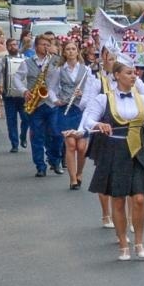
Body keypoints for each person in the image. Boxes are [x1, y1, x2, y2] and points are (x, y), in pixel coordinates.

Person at [79, 60, 144, 261]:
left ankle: (139, 242)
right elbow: (88, 121)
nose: (133, 76)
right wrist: (99, 125)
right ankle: (123, 244)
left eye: (134, 73)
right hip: (115, 150)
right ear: (117, 75)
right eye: (129, 73)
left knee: (139, 198)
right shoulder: (104, 99)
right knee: (118, 199)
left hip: (138, 150)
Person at [50, 39, 92, 188]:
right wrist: (56, 101)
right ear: (64, 52)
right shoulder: (59, 69)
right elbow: (51, 88)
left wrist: (83, 94)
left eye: (73, 49)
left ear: (78, 51)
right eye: (68, 49)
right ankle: (73, 179)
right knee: (71, 145)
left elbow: (91, 89)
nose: (71, 52)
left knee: (81, 147)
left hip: (81, 110)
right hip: (65, 110)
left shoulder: (86, 69)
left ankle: (80, 172)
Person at [21, 35, 62, 177]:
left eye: (48, 44)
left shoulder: (55, 61)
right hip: (36, 103)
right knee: (37, 136)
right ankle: (40, 166)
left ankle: (54, 159)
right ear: (36, 46)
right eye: (43, 44)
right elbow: (16, 78)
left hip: (51, 103)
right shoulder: (27, 62)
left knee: (56, 133)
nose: (46, 47)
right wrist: (24, 91)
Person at [0, 37, 27, 152]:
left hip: (23, 95)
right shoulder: (3, 60)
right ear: (7, 47)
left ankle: (23, 136)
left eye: (15, 45)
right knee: (11, 120)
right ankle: (14, 144)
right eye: (11, 45)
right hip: (8, 95)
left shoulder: (25, 59)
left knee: (26, 118)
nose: (13, 47)